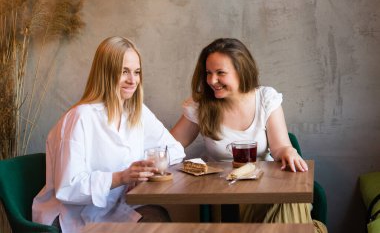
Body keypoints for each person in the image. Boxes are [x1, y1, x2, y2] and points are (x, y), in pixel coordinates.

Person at [170, 38, 327, 232]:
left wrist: (289, 151)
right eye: (208, 73)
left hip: (267, 191)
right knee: (295, 217)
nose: (212, 80)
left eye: (220, 73)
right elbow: (170, 146)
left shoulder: (265, 98)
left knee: (289, 198)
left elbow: (280, 147)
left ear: (241, 71)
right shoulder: (200, 105)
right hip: (227, 199)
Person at [32, 36, 186, 233]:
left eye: (137, 72)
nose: (133, 80)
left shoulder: (136, 112)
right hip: (74, 216)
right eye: (124, 72)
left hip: (115, 208)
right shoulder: (80, 118)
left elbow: (175, 150)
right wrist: (121, 177)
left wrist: (146, 170)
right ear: (106, 73)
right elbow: (68, 188)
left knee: (158, 217)